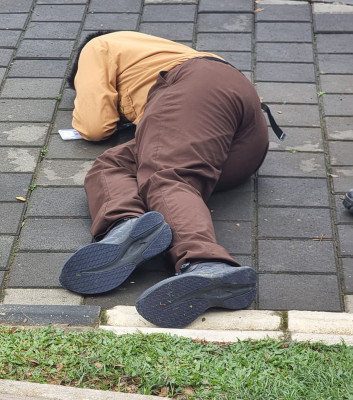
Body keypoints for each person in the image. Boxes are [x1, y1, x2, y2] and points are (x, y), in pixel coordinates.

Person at [59, 31, 284, 328]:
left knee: (166, 176)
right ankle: (128, 226)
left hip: (198, 87)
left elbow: (94, 126)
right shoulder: (157, 49)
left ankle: (206, 263)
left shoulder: (97, 45)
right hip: (245, 147)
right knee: (112, 165)